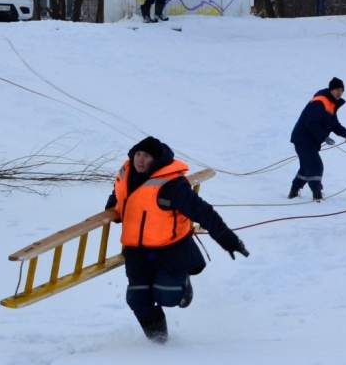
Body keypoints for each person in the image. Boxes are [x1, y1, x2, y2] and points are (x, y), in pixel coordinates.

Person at [105, 136, 248, 343]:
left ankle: (183, 283)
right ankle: (159, 343)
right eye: (138, 154)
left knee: (167, 297)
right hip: (136, 250)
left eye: (146, 156)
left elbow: (203, 212)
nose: (140, 160)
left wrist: (228, 240)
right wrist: (114, 209)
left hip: (170, 250)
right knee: (138, 299)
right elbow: (118, 196)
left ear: (157, 160)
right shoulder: (126, 174)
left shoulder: (172, 185)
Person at [288, 77, 346, 201]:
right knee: (315, 165)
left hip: (311, 141)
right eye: (336, 89)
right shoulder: (320, 101)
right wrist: (324, 137)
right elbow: (311, 123)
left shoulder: (331, 104)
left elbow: (334, 124)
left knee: (306, 167)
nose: (339, 92)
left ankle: (294, 191)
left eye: (341, 90)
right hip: (303, 139)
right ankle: (317, 194)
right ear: (331, 89)